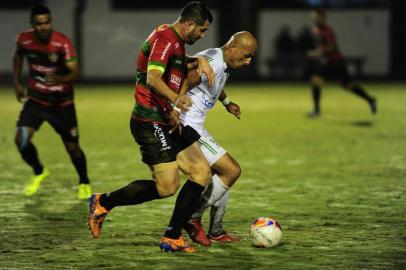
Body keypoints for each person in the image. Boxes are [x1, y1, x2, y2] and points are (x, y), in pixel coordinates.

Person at [87, 1, 215, 253]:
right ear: (190, 24)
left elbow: (176, 60)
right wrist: (176, 98)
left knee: (201, 172)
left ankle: (172, 237)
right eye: (201, 30)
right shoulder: (167, 39)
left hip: (165, 118)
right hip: (149, 120)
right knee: (167, 186)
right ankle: (103, 201)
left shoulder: (174, 40)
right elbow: (153, 78)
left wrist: (197, 60)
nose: (202, 35)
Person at [178, 31, 257, 246]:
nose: (248, 62)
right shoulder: (213, 60)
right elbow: (188, 79)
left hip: (196, 126)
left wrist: (227, 102)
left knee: (220, 173)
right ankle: (192, 217)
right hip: (188, 127)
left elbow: (214, 83)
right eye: (247, 55)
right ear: (232, 46)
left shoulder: (220, 61)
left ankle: (216, 230)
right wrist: (176, 109)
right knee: (231, 170)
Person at [13, 4, 92, 200]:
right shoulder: (24, 39)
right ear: (32, 24)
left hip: (61, 104)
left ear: (51, 21)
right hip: (36, 100)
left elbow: (75, 72)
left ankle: (84, 181)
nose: (44, 26)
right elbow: (18, 55)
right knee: (21, 141)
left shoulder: (62, 43)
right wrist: (17, 82)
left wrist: (60, 78)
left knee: (72, 147)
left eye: (47, 22)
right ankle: (39, 171)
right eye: (39, 23)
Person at [306, 8, 377, 117]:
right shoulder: (317, 30)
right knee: (347, 85)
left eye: (317, 17)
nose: (315, 19)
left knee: (315, 81)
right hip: (332, 62)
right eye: (314, 17)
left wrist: (318, 52)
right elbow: (323, 45)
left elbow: (332, 47)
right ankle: (370, 100)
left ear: (323, 18)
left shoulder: (327, 31)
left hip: (335, 62)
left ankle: (317, 111)